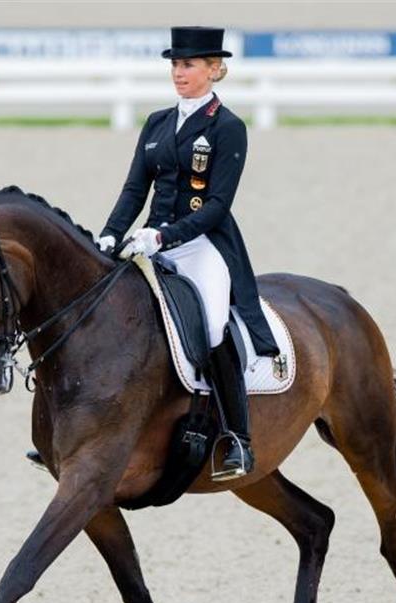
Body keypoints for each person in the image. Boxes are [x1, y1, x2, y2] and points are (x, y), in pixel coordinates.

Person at [98, 26, 279, 481]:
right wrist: (109, 233)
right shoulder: (157, 123)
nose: (179, 73)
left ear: (214, 70)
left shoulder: (227, 127)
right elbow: (135, 187)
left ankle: (238, 437)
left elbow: (218, 206)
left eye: (189, 64)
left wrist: (164, 237)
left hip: (203, 246)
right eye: (176, 65)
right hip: (148, 241)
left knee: (214, 324)